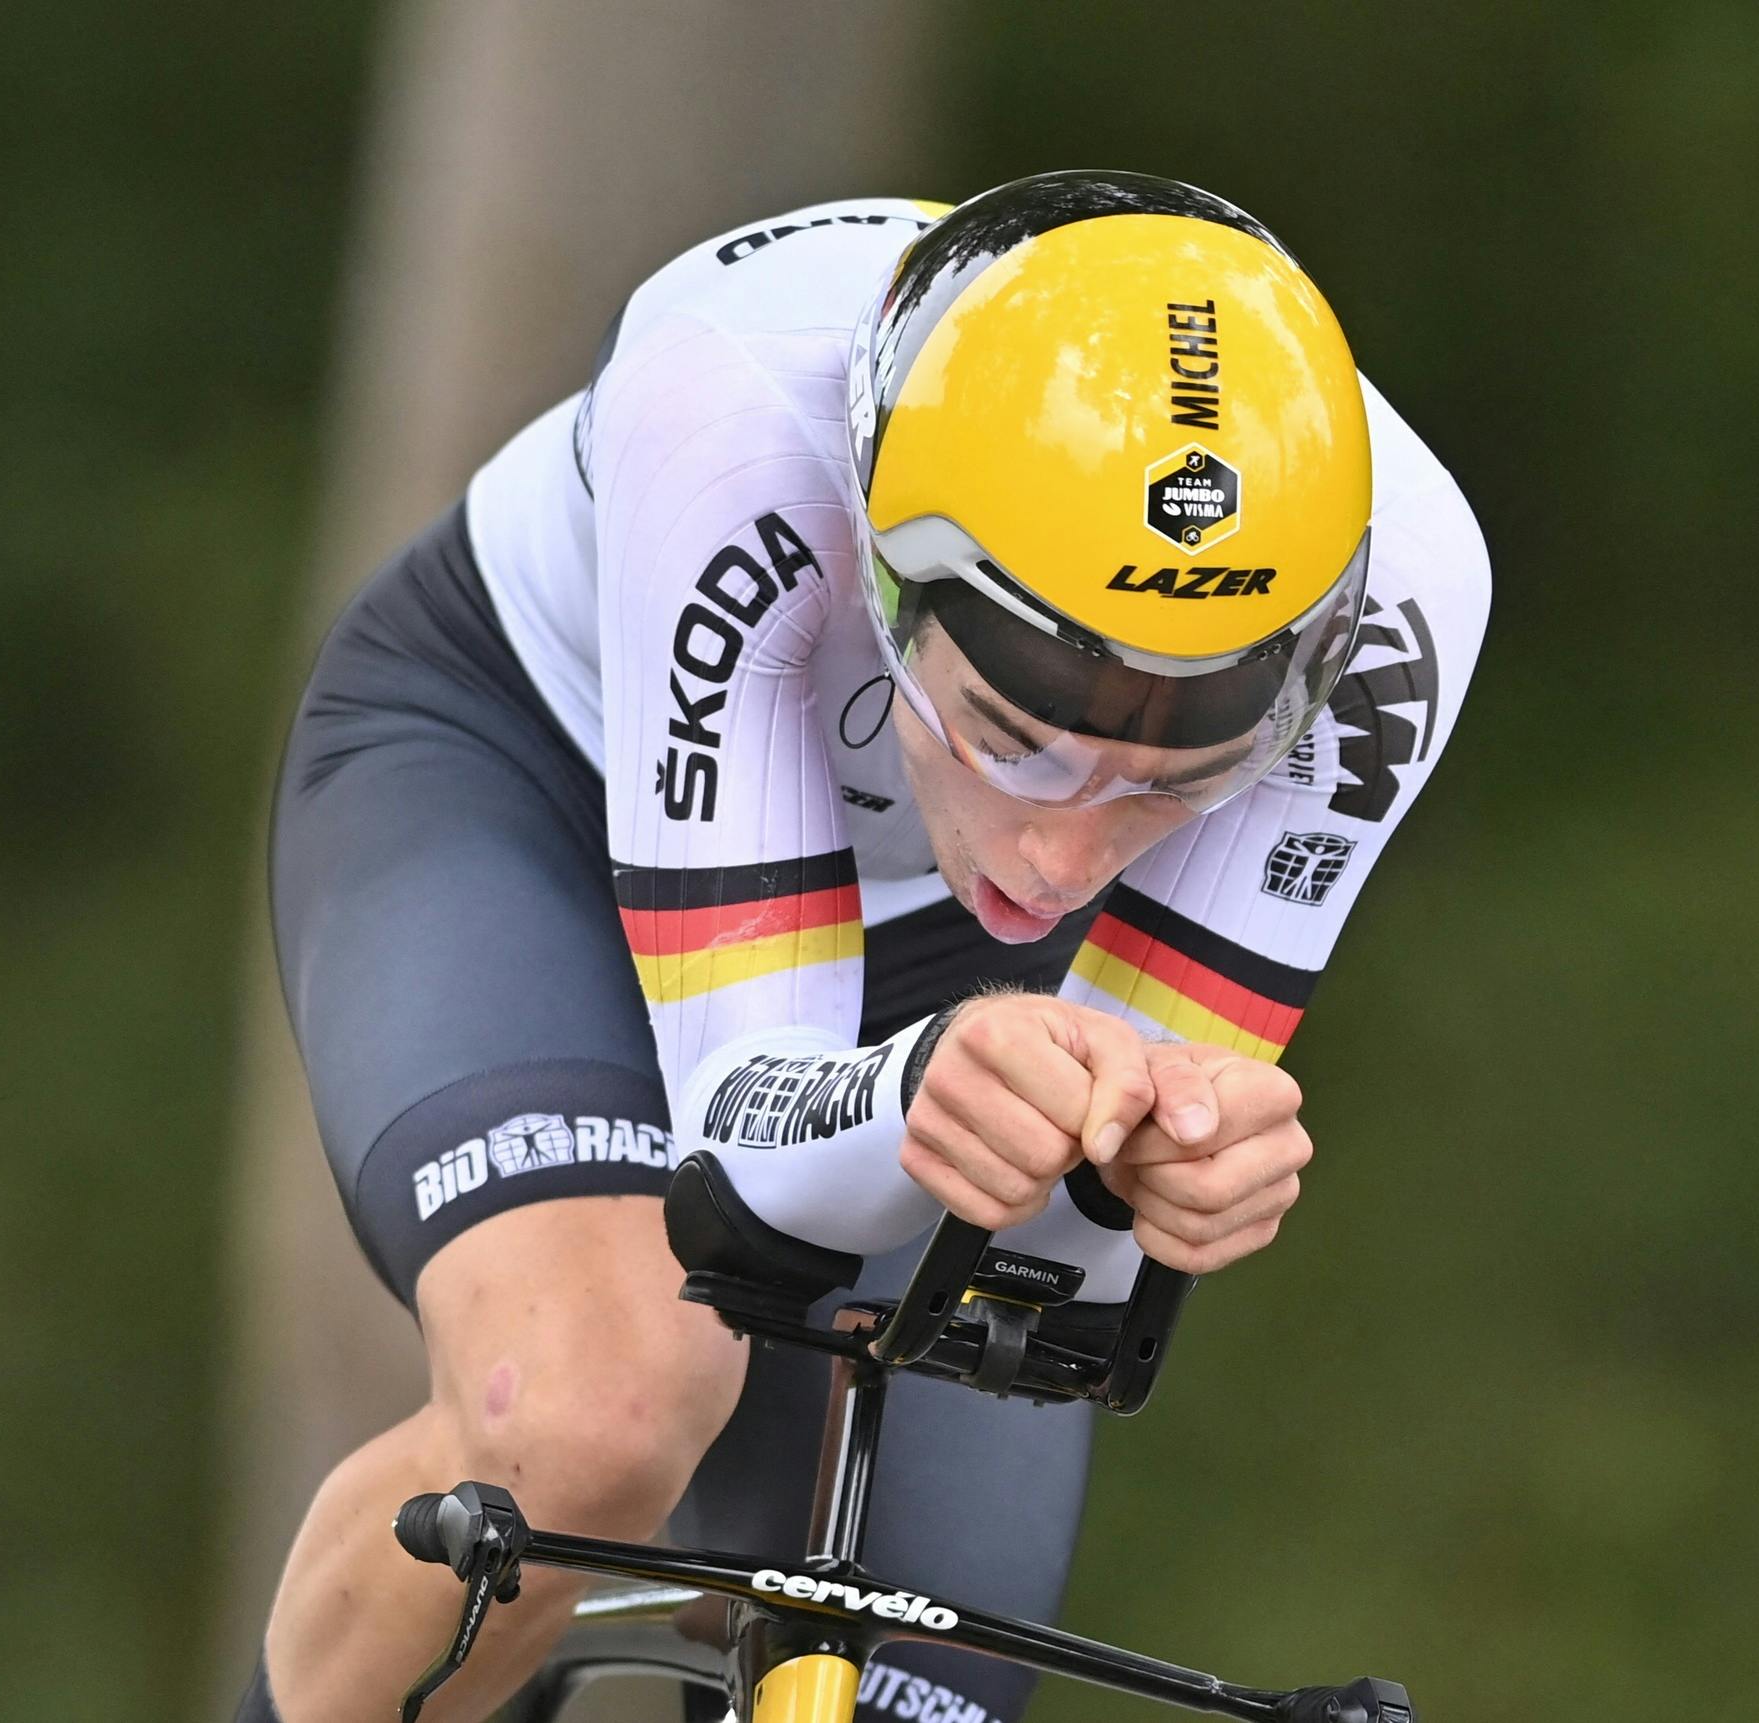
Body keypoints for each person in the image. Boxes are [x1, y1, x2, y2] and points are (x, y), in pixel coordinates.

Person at [244, 170, 1488, 1723]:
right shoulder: (736, 408)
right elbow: (743, 1179)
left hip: (929, 982)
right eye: (1012, 733)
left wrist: (1169, 1159)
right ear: (891, 583)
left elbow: (1064, 1282)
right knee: (591, 1411)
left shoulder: (1410, 592)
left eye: (1171, 788)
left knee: (920, 1657)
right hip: (524, 790)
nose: (1060, 855)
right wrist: (921, 1096)